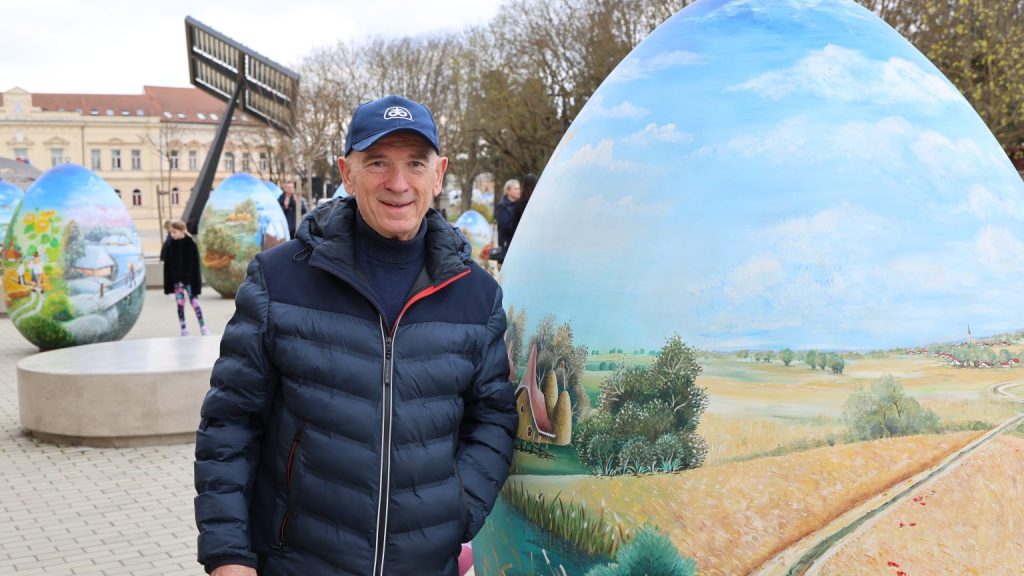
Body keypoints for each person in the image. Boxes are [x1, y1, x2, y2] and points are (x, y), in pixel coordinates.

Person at [195, 95, 517, 576]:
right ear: (347, 173)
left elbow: (493, 419)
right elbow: (230, 423)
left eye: (415, 163)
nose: (398, 183)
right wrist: (228, 555)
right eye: (378, 162)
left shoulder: (477, 296)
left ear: (439, 174)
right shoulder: (279, 280)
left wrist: (457, 510)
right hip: (298, 564)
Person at [162, 219, 208, 336]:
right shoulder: (169, 245)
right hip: (177, 282)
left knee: (195, 303)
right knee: (180, 304)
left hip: (190, 281)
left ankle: (203, 327)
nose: (172, 234)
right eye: (171, 232)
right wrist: (169, 285)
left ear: (182, 231)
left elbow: (196, 266)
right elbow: (167, 267)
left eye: (174, 232)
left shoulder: (191, 244)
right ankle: (183, 328)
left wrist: (196, 283)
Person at [494, 178, 521, 259]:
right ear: (508, 191)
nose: (519, 191)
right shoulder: (502, 206)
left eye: (519, 188)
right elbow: (504, 225)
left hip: (517, 241)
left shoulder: (520, 204)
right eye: (516, 189)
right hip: (507, 243)